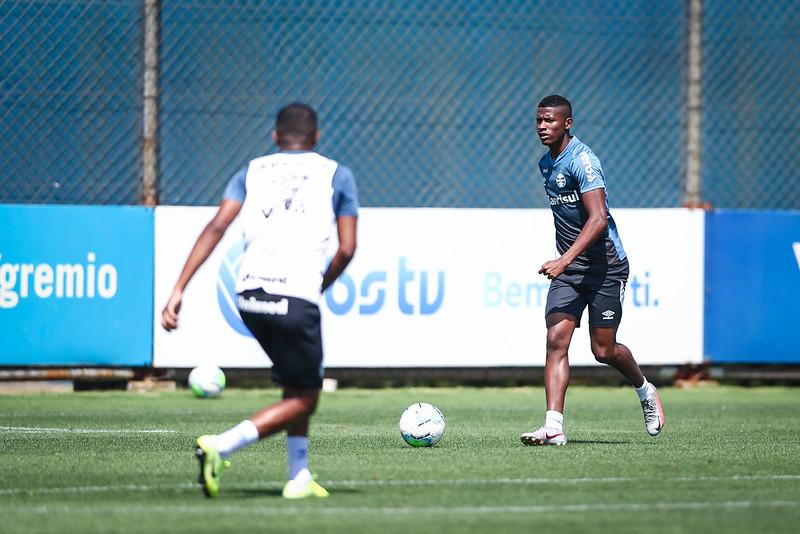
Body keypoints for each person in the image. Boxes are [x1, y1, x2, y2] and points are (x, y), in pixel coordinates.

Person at [161, 102, 358, 497]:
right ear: (316, 137)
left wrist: (179, 287)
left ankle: (298, 476)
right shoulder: (337, 173)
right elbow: (347, 248)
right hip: (295, 295)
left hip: (248, 294)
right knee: (306, 398)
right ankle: (221, 445)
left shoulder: (252, 170)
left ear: (275, 137)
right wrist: (321, 283)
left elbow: (217, 225)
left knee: (295, 382)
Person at [520, 95, 664, 446]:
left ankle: (645, 390)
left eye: (550, 121)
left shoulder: (583, 162)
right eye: (539, 120)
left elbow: (598, 219)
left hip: (605, 268)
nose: (543, 126)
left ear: (567, 123)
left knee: (603, 350)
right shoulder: (546, 163)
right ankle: (553, 426)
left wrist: (563, 259)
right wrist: (566, 262)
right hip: (570, 270)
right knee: (556, 340)